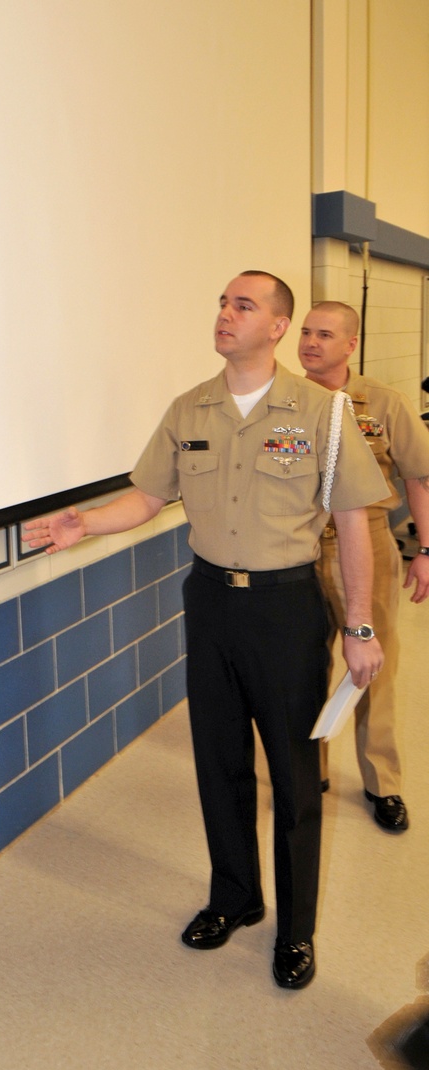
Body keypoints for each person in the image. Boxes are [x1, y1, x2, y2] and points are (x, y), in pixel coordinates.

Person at [23, 271, 388, 990]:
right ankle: (235, 898)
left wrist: (360, 626)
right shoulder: (191, 408)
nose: (225, 314)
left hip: (286, 609)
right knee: (217, 762)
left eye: (243, 305)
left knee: (292, 775)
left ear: (277, 326)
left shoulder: (323, 412)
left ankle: (295, 929)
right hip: (212, 603)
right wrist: (86, 522)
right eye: (223, 302)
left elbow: (353, 529)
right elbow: (150, 497)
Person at [298, 301, 429, 832]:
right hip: (301, 545)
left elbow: (419, 478)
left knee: (372, 666)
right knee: (303, 667)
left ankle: (383, 784)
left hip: (368, 544)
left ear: (350, 344)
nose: (311, 343)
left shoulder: (384, 404)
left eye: (325, 334)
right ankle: (312, 772)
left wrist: (426, 551)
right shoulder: (285, 401)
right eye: (305, 332)